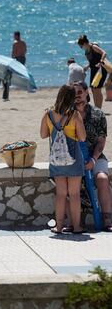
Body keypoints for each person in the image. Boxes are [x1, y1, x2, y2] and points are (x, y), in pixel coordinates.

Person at [40, 85, 86, 234]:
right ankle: (77, 227)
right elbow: (83, 137)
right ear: (72, 98)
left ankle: (59, 227)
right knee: (74, 194)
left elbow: (43, 135)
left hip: (57, 159)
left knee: (61, 194)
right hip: (73, 158)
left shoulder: (48, 114)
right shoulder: (74, 115)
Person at [72, 81, 112, 231]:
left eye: (80, 93)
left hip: (96, 156)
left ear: (87, 92)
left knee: (102, 179)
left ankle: (107, 220)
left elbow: (101, 141)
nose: (77, 96)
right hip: (74, 158)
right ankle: (75, 222)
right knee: (72, 184)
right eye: (74, 94)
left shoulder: (98, 114)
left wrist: (93, 160)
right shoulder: (67, 114)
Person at [77, 35, 108, 108]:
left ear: (84, 43)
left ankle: (99, 108)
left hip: (101, 69)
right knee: (93, 89)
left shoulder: (93, 47)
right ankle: (96, 107)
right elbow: (92, 61)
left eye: (81, 46)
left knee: (97, 89)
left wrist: (101, 61)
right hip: (93, 71)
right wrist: (87, 67)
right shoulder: (86, 51)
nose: (81, 48)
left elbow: (104, 53)